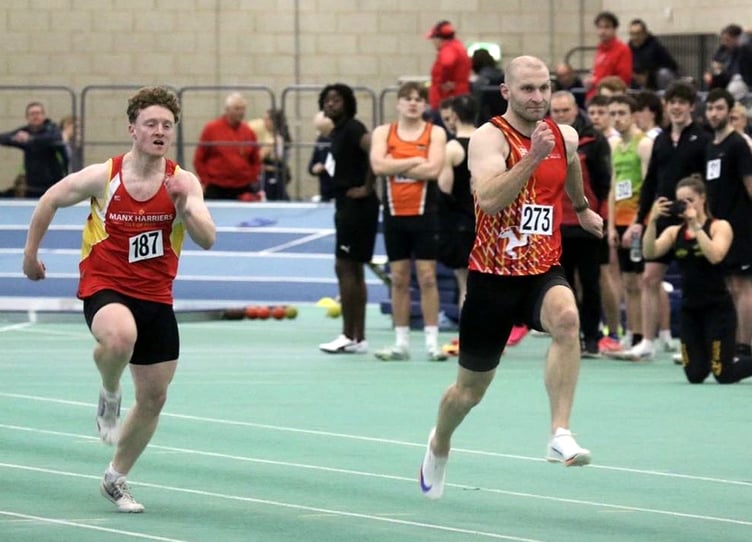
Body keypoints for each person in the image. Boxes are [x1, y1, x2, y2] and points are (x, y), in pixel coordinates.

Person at [22, 86, 216, 512]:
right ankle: (109, 391)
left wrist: (186, 207)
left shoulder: (183, 181)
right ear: (133, 129)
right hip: (105, 285)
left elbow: (207, 238)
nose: (159, 131)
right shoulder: (103, 176)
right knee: (118, 339)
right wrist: (30, 254)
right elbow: (51, 199)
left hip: (156, 296)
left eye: (167, 125)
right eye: (151, 124)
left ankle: (116, 477)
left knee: (154, 398)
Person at [419, 56, 604, 500]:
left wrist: (579, 208)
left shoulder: (565, 135)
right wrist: (532, 158)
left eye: (544, 88)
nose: (538, 97)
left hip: (542, 268)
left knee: (567, 319)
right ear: (506, 92)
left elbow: (571, 167)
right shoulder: (488, 138)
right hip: (493, 279)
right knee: (468, 392)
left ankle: (559, 431)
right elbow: (488, 199)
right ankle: (440, 440)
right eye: (527, 89)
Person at [623, 81, 709, 360]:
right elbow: (650, 183)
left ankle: (691, 344)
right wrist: (640, 218)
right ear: (666, 106)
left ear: (691, 107)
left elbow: (708, 182)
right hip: (661, 216)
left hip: (691, 219)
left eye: (682, 102)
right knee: (650, 277)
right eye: (672, 102)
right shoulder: (659, 139)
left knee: (694, 281)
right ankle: (648, 342)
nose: (676, 107)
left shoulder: (702, 138)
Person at [643, 176, 752, 383]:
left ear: (703, 199)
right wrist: (653, 221)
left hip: (718, 308)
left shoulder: (720, 227)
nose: (685, 205)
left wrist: (696, 224)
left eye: (690, 200)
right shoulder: (675, 232)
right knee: (695, 374)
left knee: (723, 373)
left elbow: (715, 255)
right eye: (681, 201)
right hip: (690, 310)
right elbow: (650, 252)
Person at [369, 81, 448, 361]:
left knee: (427, 278)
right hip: (394, 215)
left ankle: (431, 341)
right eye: (408, 99)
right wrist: (415, 159)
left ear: (425, 105)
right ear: (398, 103)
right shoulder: (383, 132)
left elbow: (434, 170)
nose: (413, 103)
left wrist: (397, 162)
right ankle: (401, 342)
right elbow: (378, 166)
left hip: (425, 214)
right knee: (399, 279)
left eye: (419, 99)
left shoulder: (435, 133)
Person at [317, 84, 380, 355]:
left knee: (345, 267)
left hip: (357, 206)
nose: (331, 104)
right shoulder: (337, 132)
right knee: (353, 270)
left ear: (348, 103)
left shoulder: (354, 128)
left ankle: (348, 335)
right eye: (327, 100)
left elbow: (375, 150)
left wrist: (367, 186)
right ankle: (358, 338)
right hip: (347, 205)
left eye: (337, 100)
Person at [549, 90, 611, 357]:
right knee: (563, 286)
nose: (561, 115)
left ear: (576, 110)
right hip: (557, 226)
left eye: (565, 110)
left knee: (591, 283)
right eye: (557, 111)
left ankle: (592, 337)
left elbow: (604, 183)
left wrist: (601, 218)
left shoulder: (595, 141)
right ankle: (568, 337)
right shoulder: (544, 139)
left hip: (586, 225)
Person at [703, 88, 752, 359]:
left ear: (730, 111)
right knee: (731, 285)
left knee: (743, 285)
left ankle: (746, 345)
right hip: (720, 228)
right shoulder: (712, 146)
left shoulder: (738, 144)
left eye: (719, 108)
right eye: (710, 108)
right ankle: (735, 341)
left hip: (742, 226)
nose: (714, 113)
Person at [606, 94, 654, 351]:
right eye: (612, 114)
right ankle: (631, 331)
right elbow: (613, 188)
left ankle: (644, 337)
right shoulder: (615, 146)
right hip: (620, 220)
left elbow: (648, 186)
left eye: (622, 113)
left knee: (638, 280)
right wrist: (612, 226)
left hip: (638, 221)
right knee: (626, 281)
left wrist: (638, 222)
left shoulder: (643, 144)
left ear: (634, 114)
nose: (617, 118)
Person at [438, 94, 477, 315]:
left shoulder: (452, 148)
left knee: (466, 284)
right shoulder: (489, 143)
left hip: (462, 222)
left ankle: (469, 341)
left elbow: (444, 190)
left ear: (454, 116)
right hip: (488, 219)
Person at [193, 92, 261, 200]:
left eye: (243, 109)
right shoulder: (211, 129)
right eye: (237, 109)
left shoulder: (248, 132)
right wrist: (206, 181)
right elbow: (199, 159)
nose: (241, 112)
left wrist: (252, 179)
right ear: (227, 109)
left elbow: (256, 160)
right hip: (216, 187)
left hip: (243, 188)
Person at [0, 101, 67, 197]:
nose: (35, 116)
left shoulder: (52, 129)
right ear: (27, 117)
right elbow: (4, 138)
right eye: (32, 114)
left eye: (38, 113)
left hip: (53, 185)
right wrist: (16, 138)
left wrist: (31, 139)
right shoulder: (25, 131)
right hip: (32, 186)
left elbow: (54, 138)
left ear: (43, 115)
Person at [425, 20, 472, 116]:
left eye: (433, 39)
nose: (433, 43)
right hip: (457, 97)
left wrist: (444, 81)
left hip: (445, 101)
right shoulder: (458, 47)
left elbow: (447, 63)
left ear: (439, 38)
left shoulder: (448, 49)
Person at [584, 11, 633, 100]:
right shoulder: (600, 49)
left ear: (614, 29)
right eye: (600, 27)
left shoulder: (623, 50)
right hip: (594, 96)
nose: (602, 31)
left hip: (611, 97)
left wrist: (596, 81)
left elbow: (623, 80)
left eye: (607, 27)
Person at [249, 108, 292, 201]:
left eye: (266, 119)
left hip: (271, 176)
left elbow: (258, 157)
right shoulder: (279, 136)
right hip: (277, 173)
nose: (263, 122)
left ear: (273, 121)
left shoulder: (274, 140)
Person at [628, 18, 679, 90]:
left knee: (664, 73)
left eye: (638, 33)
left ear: (645, 33)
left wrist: (649, 76)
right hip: (636, 80)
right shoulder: (628, 49)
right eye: (632, 34)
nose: (635, 37)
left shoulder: (655, 46)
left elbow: (672, 66)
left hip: (655, 80)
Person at [704, 24, 752, 92]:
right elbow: (715, 63)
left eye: (727, 40)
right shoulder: (723, 49)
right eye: (723, 40)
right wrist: (710, 72)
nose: (724, 43)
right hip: (724, 85)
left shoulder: (745, 50)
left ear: (737, 39)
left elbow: (736, 72)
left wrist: (745, 33)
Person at [470, 48, 506, 125]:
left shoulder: (480, 81)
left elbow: (476, 104)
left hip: (485, 121)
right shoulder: (502, 75)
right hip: (503, 119)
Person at [308, 111, 335, 202]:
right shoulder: (320, 140)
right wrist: (314, 169)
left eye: (324, 130)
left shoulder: (341, 138)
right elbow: (312, 165)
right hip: (325, 192)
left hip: (341, 191)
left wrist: (325, 166)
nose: (321, 133)